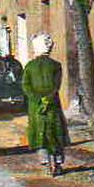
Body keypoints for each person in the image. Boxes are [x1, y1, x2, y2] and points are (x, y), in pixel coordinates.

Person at [22, 33, 71, 176]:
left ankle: (45, 164)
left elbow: (25, 86)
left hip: (35, 106)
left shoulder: (29, 66)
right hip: (52, 105)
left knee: (40, 135)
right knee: (55, 134)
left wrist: (37, 99)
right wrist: (47, 99)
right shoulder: (56, 65)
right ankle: (58, 163)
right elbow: (56, 86)